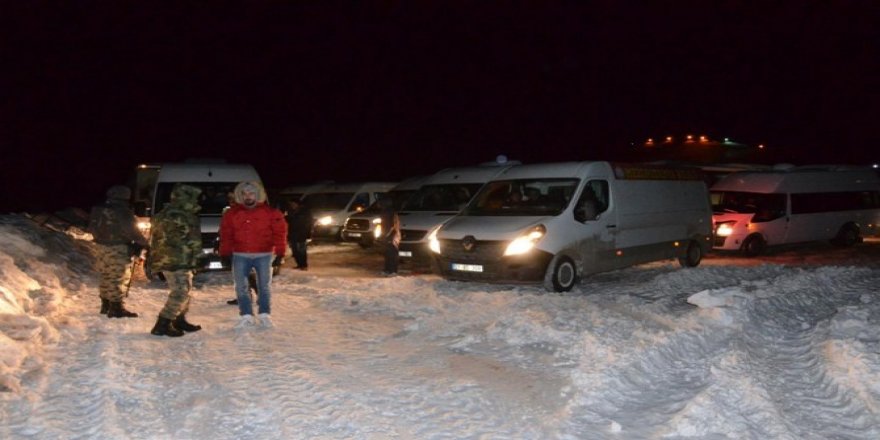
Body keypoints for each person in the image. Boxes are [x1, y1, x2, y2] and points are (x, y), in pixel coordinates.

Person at [219, 181, 287, 329]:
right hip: (240, 255)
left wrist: (281, 254)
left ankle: (264, 314)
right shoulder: (231, 214)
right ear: (240, 196)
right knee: (241, 287)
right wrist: (224, 252)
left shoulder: (271, 213)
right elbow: (226, 235)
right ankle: (246, 315)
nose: (248, 197)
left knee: (264, 286)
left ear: (257, 195)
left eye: (251, 193)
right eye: (244, 194)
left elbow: (279, 234)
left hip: (264, 254)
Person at [148, 184, 204, 337]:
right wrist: (199, 258)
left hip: (164, 259)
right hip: (180, 259)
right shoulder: (186, 216)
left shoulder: (162, 214)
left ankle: (179, 320)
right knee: (181, 292)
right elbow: (194, 241)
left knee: (184, 289)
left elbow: (155, 238)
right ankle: (162, 324)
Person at [88, 185, 149, 318]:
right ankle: (116, 308)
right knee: (117, 276)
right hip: (117, 247)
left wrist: (100, 238)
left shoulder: (98, 208)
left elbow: (91, 226)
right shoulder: (122, 210)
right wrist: (143, 243)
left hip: (100, 245)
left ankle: (105, 304)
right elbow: (132, 230)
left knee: (106, 274)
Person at [285, 198, 313, 270]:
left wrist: (308, 234)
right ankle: (299, 264)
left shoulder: (305, 211)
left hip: (302, 234)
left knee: (302, 250)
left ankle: (303, 265)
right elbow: (288, 221)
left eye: (293, 204)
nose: (292, 205)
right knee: (295, 251)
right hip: (292, 234)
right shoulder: (290, 211)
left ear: (297, 204)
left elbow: (309, 223)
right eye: (291, 204)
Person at [377, 196, 401, 276]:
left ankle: (393, 271)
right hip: (388, 234)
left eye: (380, 203)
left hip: (392, 235)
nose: (378, 204)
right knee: (387, 253)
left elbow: (392, 225)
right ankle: (388, 270)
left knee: (391, 253)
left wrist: (387, 235)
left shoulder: (389, 212)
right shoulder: (386, 211)